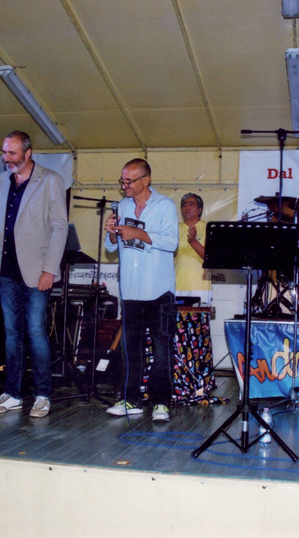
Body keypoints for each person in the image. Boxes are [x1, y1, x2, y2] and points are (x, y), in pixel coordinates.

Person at [0, 131, 68, 418]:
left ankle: (42, 395)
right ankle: (12, 394)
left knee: (36, 332)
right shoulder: (0, 181)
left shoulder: (50, 180)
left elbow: (59, 227)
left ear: (28, 153)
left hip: (37, 270)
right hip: (6, 270)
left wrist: (49, 269)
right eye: (4, 152)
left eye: (12, 153)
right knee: (12, 333)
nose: (6, 158)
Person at [104, 158, 178, 422]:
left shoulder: (165, 206)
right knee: (130, 349)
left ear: (146, 180)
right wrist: (112, 232)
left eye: (129, 181)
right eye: (122, 181)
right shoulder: (122, 206)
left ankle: (161, 403)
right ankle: (129, 399)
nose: (124, 186)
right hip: (131, 289)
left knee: (162, 349)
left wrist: (137, 232)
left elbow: (171, 242)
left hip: (159, 291)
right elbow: (111, 246)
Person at [175, 193, 211, 304]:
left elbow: (210, 258)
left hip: (200, 287)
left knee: (199, 316)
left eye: (191, 204)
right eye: (184, 204)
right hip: (176, 286)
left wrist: (193, 242)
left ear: (200, 209)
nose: (187, 207)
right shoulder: (174, 228)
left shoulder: (208, 228)